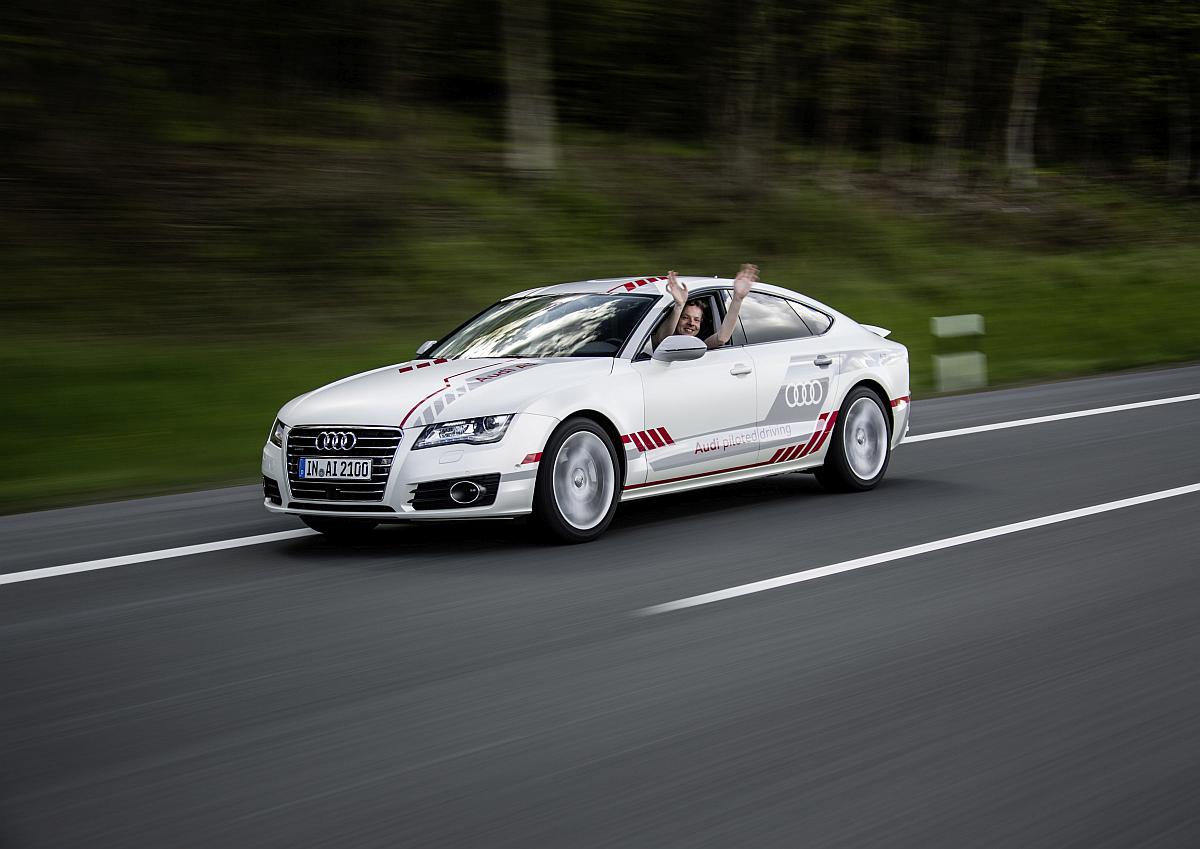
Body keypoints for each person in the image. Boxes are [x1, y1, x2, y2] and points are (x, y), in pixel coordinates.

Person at [651, 264, 758, 350]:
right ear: (677, 319)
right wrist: (679, 305)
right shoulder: (657, 339)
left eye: (697, 320)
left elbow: (722, 338)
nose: (691, 323)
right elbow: (663, 339)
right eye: (685, 317)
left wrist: (737, 299)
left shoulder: (700, 345)